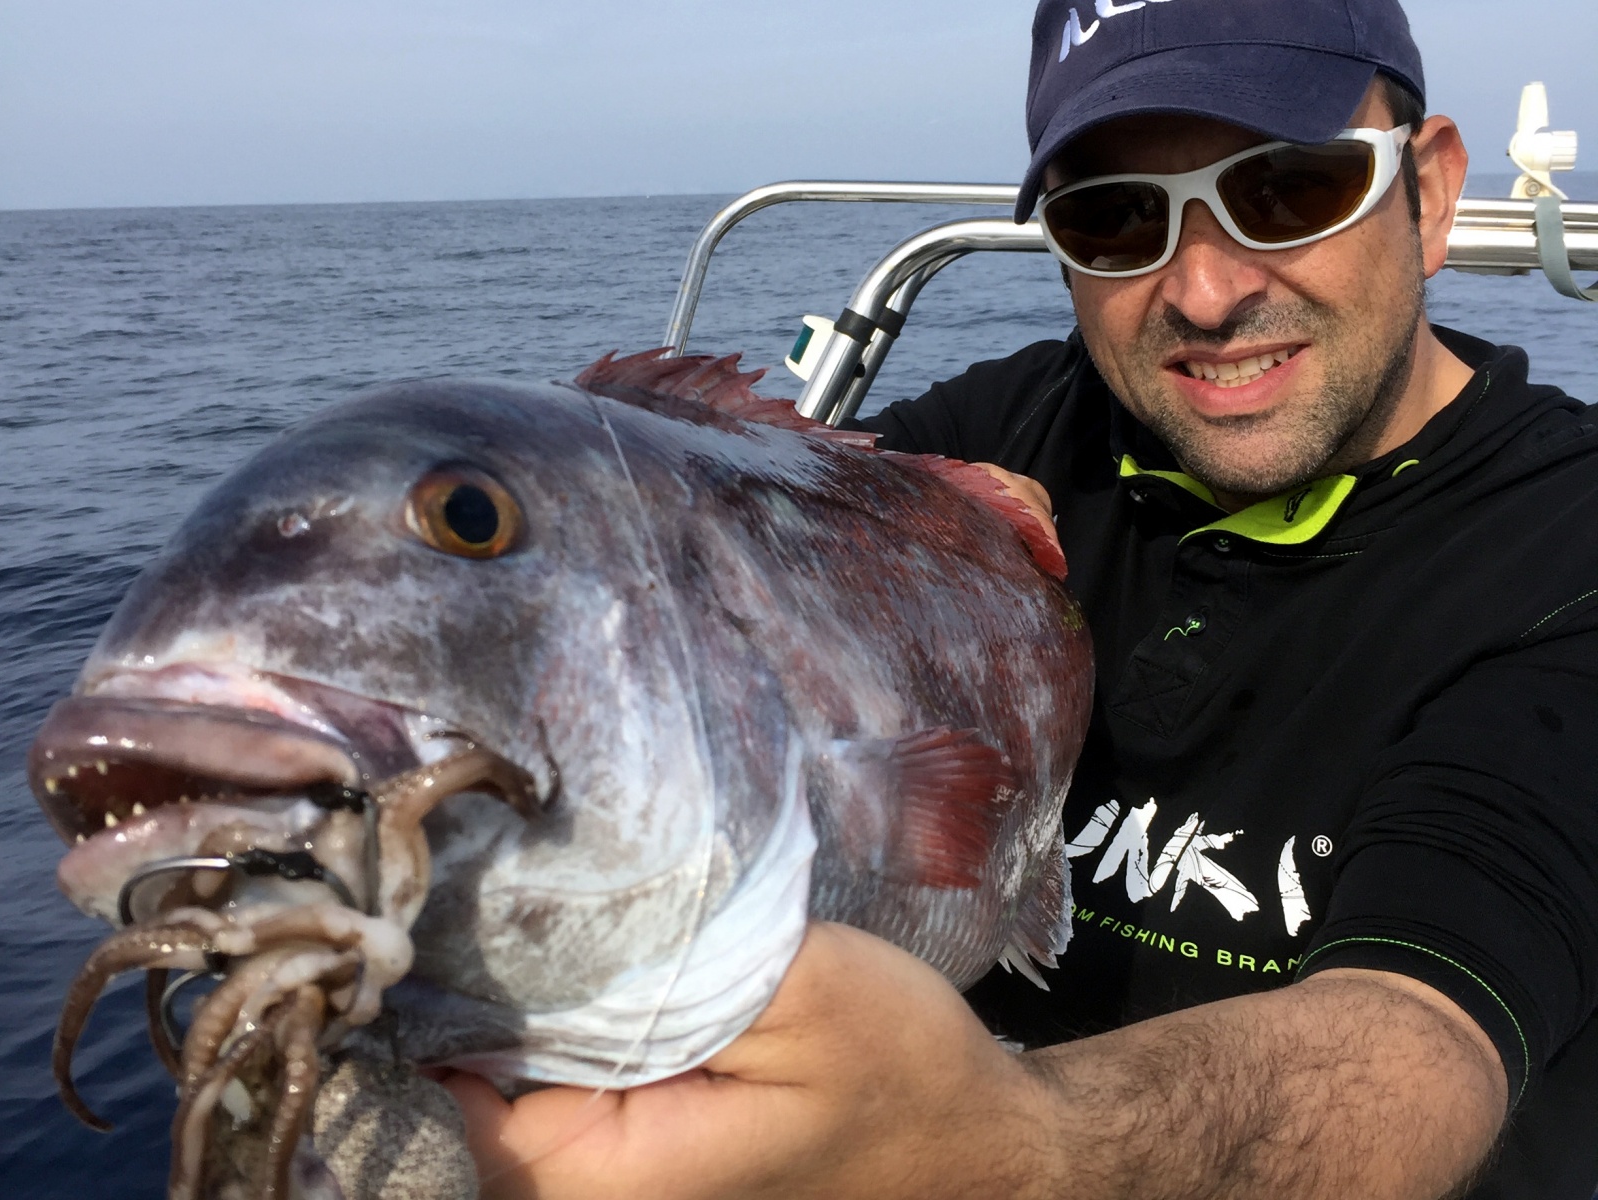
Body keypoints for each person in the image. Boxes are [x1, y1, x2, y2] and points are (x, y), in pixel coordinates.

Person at [442, 1, 1598, 1196]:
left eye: (1286, 189)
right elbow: (697, 578)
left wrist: (1019, 1144)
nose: (1202, 292)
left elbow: (1421, 1039)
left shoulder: (1564, 546)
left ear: (1432, 191)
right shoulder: (1011, 432)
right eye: (1112, 219)